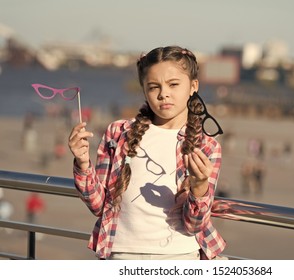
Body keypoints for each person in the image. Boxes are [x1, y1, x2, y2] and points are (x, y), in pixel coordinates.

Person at [68, 46, 226, 260]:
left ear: (193, 86)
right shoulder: (118, 133)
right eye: (153, 87)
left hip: (179, 256)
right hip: (121, 253)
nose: (163, 94)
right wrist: (83, 164)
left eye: (173, 84)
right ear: (144, 90)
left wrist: (199, 187)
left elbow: (193, 225)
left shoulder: (206, 147)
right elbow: (98, 205)